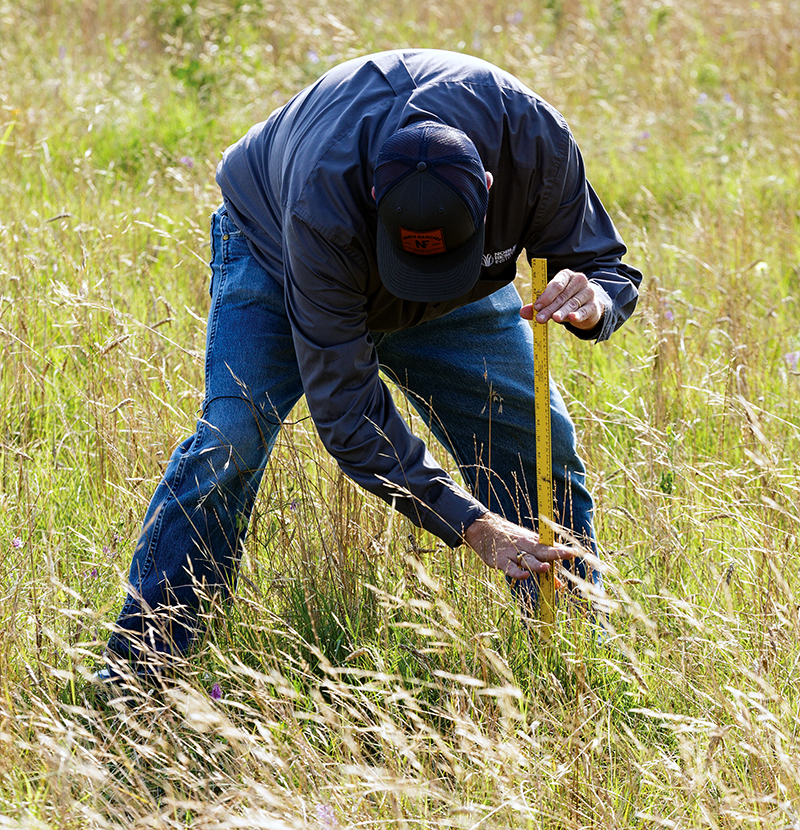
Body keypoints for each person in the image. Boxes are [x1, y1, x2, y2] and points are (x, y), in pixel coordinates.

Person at [101, 49, 642, 678]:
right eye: (413, 264)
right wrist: (474, 526)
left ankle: (570, 657)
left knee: (529, 437)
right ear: (375, 204)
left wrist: (595, 300)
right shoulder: (323, 205)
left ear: (489, 190)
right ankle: (141, 677)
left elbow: (604, 263)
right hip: (277, 252)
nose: (421, 288)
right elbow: (349, 416)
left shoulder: (531, 139)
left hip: (459, 295)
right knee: (233, 440)